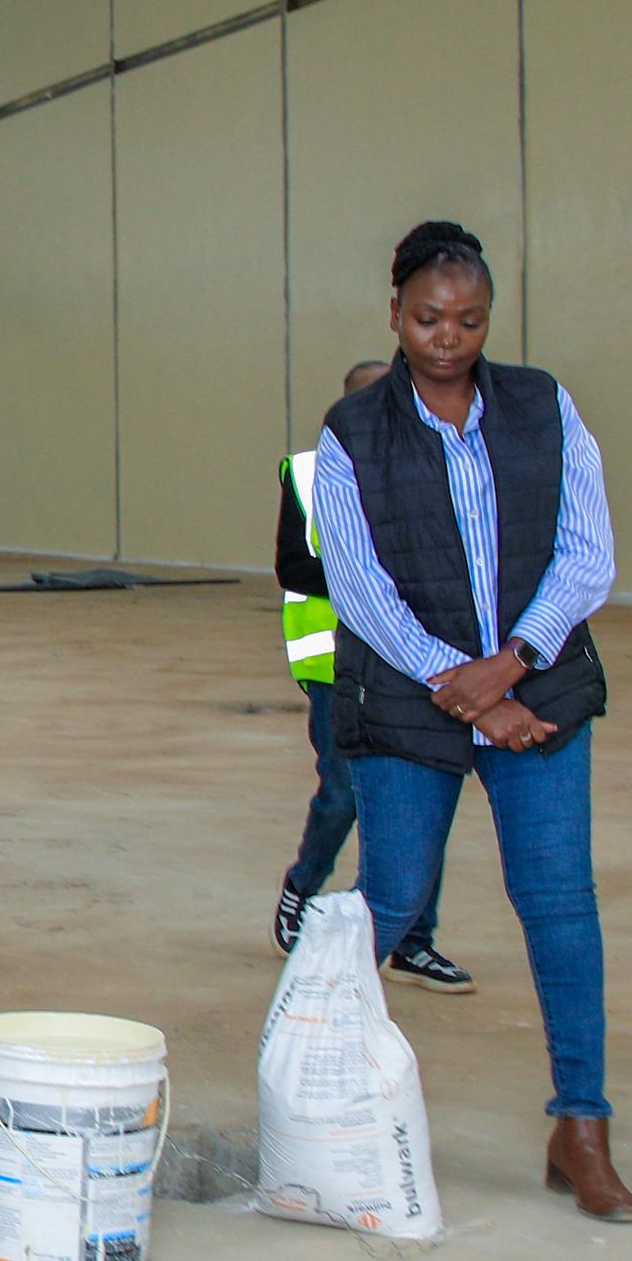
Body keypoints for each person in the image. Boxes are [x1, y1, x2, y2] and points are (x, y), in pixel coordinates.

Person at [311, 220, 632, 1224]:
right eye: (426, 319)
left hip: (536, 691)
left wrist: (511, 664)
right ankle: (314, 1091)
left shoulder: (543, 404)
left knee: (559, 904)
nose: (447, 338)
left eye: (468, 319)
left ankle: (581, 1126)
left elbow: (587, 551)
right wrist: (462, 688)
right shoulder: (351, 431)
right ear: (393, 314)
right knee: (391, 898)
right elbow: (358, 586)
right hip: (414, 700)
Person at [273, 361, 458, 987]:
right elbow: (294, 567)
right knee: (343, 792)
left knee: (422, 796)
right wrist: (373, 581)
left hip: (418, 662)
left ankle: (412, 940)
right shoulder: (308, 472)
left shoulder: (435, 463)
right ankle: (303, 888)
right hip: (337, 667)